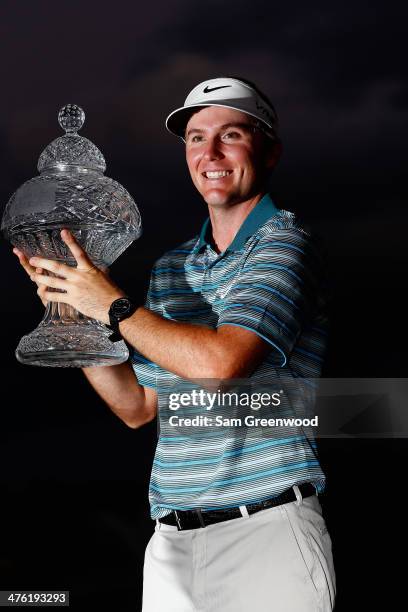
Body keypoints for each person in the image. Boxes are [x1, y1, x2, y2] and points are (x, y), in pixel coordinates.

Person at [14, 77, 336, 611]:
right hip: (169, 542)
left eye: (230, 134)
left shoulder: (288, 243)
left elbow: (225, 361)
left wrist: (112, 306)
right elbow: (136, 407)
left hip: (268, 532)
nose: (209, 153)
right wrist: (72, 308)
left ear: (270, 151)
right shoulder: (173, 268)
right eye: (194, 137)